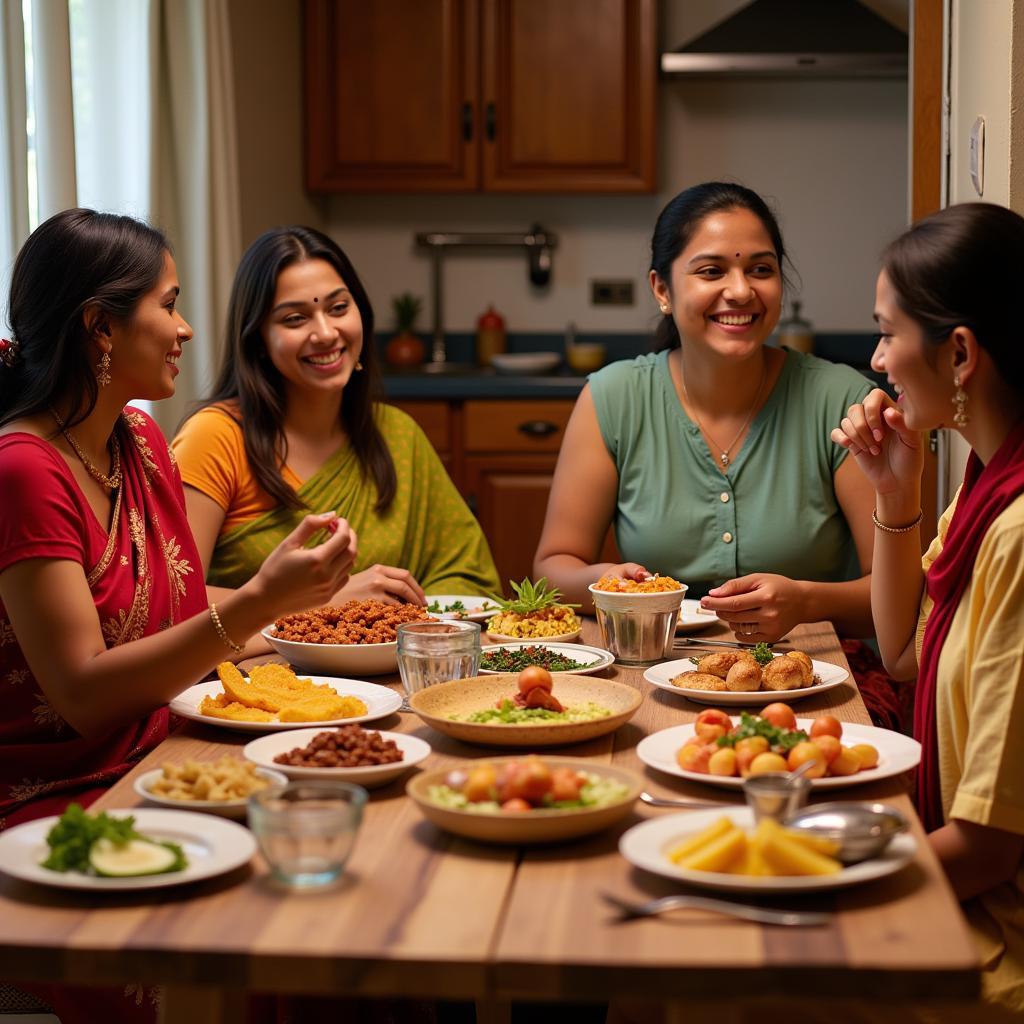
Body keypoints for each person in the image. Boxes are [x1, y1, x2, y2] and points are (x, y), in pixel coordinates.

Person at [535, 182, 877, 646]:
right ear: (662, 289)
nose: (740, 291)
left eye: (761, 269)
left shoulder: (843, 402)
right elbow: (555, 568)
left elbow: (900, 594)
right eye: (712, 271)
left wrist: (806, 602)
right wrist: (607, 583)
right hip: (654, 665)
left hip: (818, 673)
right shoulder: (612, 397)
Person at [832, 202, 1024, 1017]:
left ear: (958, 353)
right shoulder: (986, 487)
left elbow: (987, 849)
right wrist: (897, 488)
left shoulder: (1017, 534)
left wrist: (803, 870)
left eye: (885, 332)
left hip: (993, 942)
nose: (876, 361)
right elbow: (904, 654)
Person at [172, 225, 499, 606]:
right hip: (259, 665)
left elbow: (465, 574)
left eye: (339, 307)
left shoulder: (395, 434)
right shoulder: (214, 438)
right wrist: (328, 602)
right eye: (295, 319)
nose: (326, 333)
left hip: (394, 663)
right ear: (258, 339)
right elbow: (172, 601)